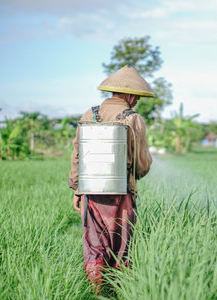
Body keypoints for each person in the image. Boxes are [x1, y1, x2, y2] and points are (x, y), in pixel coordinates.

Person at [68, 65, 153, 293]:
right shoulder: (133, 119)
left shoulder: (89, 114)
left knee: (94, 243)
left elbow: (78, 154)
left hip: (91, 192)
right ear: (131, 95)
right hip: (121, 191)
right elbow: (141, 164)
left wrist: (77, 189)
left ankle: (96, 291)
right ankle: (118, 292)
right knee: (121, 244)